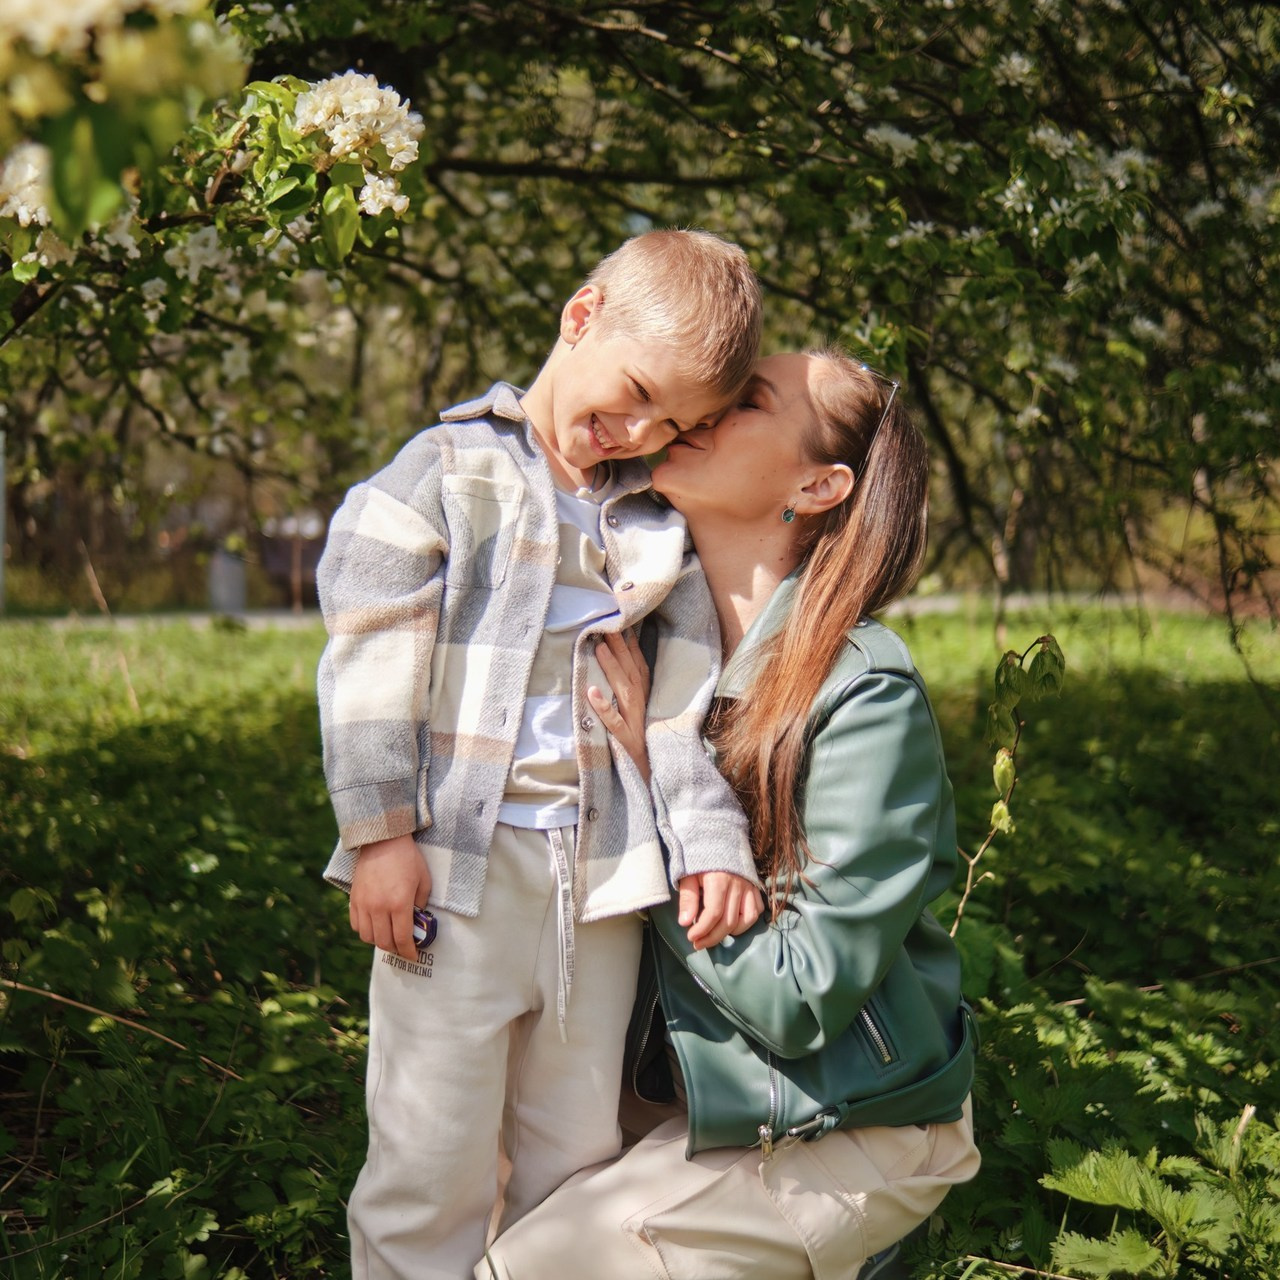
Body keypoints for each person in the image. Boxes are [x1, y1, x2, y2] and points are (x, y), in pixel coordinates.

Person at [316, 229, 767, 1280]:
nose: (640, 432)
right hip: (456, 873)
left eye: (674, 424)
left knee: (574, 1158)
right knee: (430, 1152)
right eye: (638, 393)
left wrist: (708, 839)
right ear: (581, 316)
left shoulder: (654, 520)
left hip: (601, 883)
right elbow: (370, 650)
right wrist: (381, 834)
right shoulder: (451, 470)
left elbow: (682, 699)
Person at [480, 350, 982, 1280]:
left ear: (818, 486)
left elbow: (799, 996)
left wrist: (653, 783)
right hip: (682, 1095)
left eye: (747, 400)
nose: (700, 411)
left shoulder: (863, 693)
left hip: (842, 1117)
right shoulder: (630, 641)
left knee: (531, 1270)